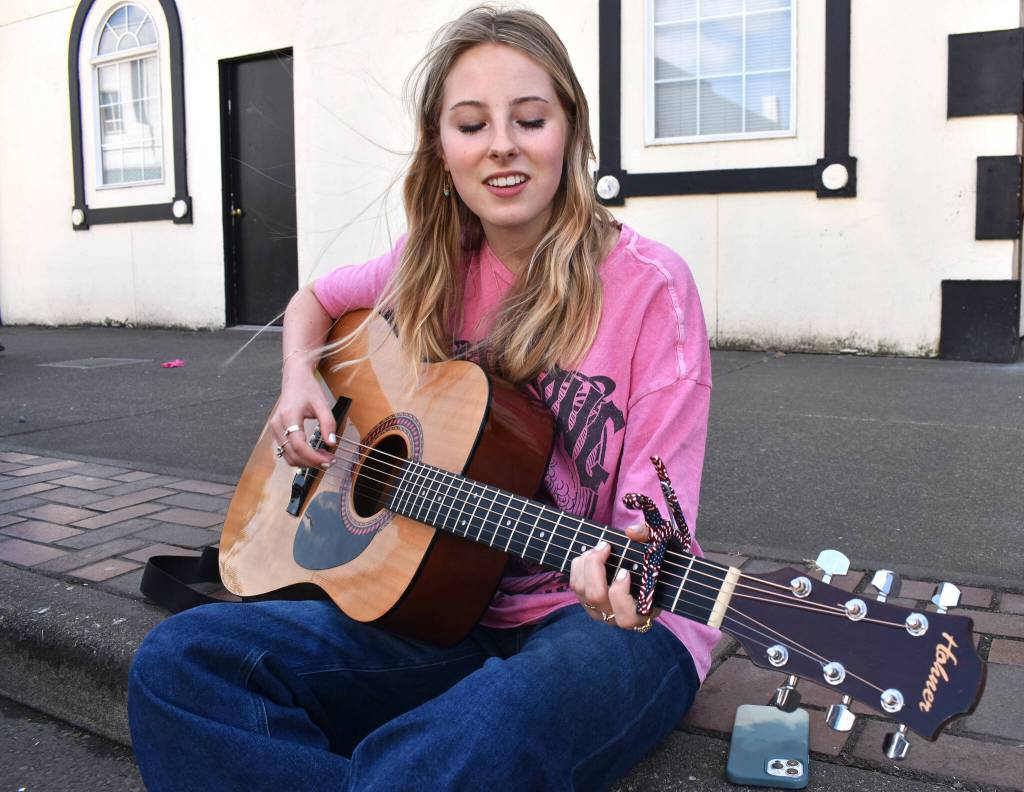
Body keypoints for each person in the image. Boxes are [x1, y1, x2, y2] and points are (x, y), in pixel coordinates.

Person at [128, 6, 719, 789]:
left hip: (610, 624)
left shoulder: (653, 287)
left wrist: (626, 578)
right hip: (442, 613)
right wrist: (299, 380)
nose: (502, 145)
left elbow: (650, 535)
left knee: (481, 733)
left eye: (529, 118)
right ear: (442, 152)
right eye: (471, 124)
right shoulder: (427, 262)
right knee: (180, 663)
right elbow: (312, 300)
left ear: (570, 131)